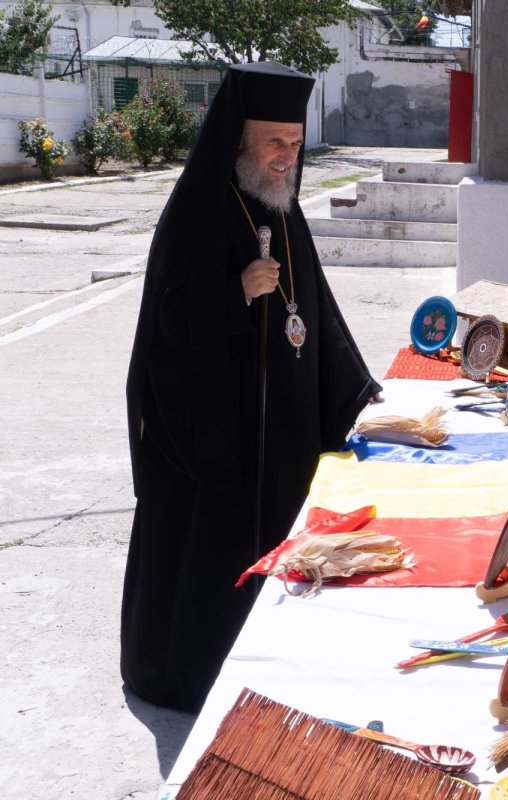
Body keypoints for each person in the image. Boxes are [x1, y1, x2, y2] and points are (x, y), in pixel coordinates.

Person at [121, 62, 381, 712]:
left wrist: (353, 386)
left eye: (295, 145)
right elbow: (165, 332)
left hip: (282, 434)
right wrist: (233, 293)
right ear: (239, 138)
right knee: (209, 564)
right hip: (210, 435)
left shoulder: (282, 208)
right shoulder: (196, 213)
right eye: (274, 144)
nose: (286, 158)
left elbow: (313, 309)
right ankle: (191, 674)